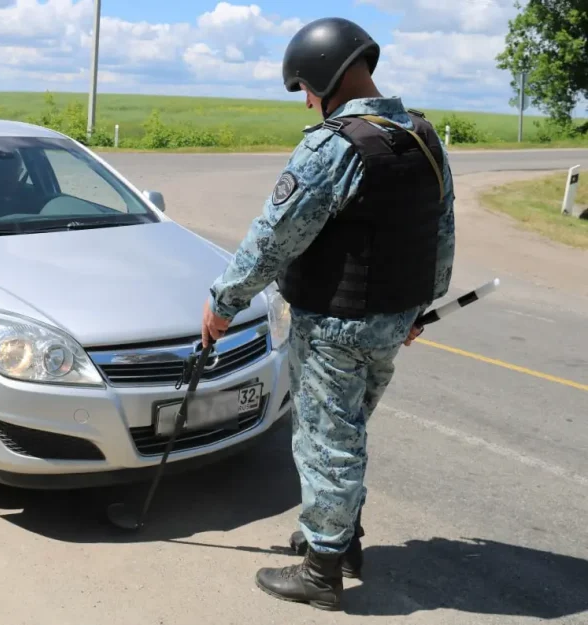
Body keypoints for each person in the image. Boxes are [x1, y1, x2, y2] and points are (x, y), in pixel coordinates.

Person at [200, 17, 455, 612]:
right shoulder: (419, 134)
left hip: (336, 325)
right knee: (347, 432)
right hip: (392, 318)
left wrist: (222, 303)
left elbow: (271, 241)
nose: (309, 102)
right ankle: (339, 539)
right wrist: (421, 304)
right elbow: (441, 229)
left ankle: (321, 573)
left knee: (325, 439)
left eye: (307, 90)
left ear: (325, 78)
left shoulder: (334, 146)